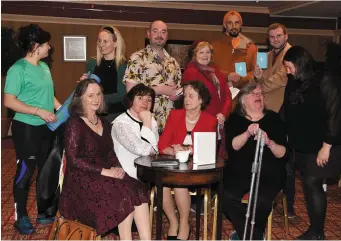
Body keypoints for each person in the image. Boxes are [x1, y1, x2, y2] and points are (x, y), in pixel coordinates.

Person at [58, 79, 151, 240]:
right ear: (80, 98)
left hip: (105, 172)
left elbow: (110, 154)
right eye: (91, 95)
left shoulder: (105, 123)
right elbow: (73, 160)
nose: (96, 99)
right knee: (124, 194)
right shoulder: (74, 123)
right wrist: (105, 171)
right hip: (80, 178)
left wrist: (119, 168)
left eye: (99, 94)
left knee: (138, 188)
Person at [4, 24, 62, 235]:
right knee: (25, 172)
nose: (50, 48)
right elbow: (9, 101)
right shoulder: (17, 69)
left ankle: (44, 212)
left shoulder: (44, 67)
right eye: (47, 44)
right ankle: (21, 218)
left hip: (46, 127)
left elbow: (50, 96)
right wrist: (38, 111)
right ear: (36, 46)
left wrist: (61, 109)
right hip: (26, 127)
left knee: (46, 172)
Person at [283, 45, 341, 240]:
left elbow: (334, 115)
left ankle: (317, 232)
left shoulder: (324, 79)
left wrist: (326, 147)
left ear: (300, 63)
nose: (287, 71)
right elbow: (288, 109)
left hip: (324, 145)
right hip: (303, 144)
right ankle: (316, 230)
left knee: (312, 182)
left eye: (289, 67)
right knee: (309, 185)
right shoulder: (294, 80)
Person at [223, 83, 287, 240]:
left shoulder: (274, 118)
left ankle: (245, 234)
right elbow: (233, 146)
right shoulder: (235, 119)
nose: (259, 96)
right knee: (226, 196)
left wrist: (269, 142)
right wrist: (247, 133)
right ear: (243, 101)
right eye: (253, 93)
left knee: (261, 201)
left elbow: (283, 153)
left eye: (260, 93)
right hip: (239, 173)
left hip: (269, 173)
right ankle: (254, 235)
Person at [158, 81, 217, 240]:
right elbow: (162, 144)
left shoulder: (210, 120)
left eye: (191, 96)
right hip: (175, 166)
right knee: (160, 186)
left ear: (201, 100)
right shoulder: (175, 115)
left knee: (179, 185)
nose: (186, 99)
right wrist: (173, 150)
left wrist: (188, 150)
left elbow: (208, 148)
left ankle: (184, 224)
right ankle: (173, 222)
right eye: (185, 95)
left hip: (196, 170)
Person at [253, 22, 295, 217]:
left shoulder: (292, 54)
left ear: (286, 36)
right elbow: (258, 79)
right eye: (272, 37)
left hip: (285, 113)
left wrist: (260, 84)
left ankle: (290, 205)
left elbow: (282, 79)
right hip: (265, 112)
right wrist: (256, 77)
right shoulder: (265, 56)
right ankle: (267, 197)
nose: (275, 39)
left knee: (285, 159)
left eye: (279, 36)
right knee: (266, 156)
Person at [123, 20, 182, 133]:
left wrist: (177, 94)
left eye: (163, 32)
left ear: (167, 36)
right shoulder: (137, 58)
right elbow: (130, 92)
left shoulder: (174, 62)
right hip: (145, 122)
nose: (159, 35)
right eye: (155, 31)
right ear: (148, 34)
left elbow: (178, 90)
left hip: (169, 124)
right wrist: (160, 90)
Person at [182, 41, 232, 154]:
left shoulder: (216, 71)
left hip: (219, 121)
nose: (205, 55)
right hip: (201, 122)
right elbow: (191, 101)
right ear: (195, 55)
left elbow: (227, 94)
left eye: (208, 52)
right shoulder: (190, 72)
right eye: (201, 52)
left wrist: (223, 113)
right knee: (201, 156)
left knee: (215, 156)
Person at [80, 25, 127, 122]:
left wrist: (95, 97)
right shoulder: (92, 63)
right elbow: (85, 92)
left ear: (115, 43)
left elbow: (122, 94)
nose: (101, 44)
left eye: (105, 41)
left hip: (117, 115)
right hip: (95, 114)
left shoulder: (124, 65)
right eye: (99, 41)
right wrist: (83, 84)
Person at [111, 84, 159, 179]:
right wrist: (146, 122)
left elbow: (155, 150)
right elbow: (144, 151)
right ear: (131, 101)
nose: (145, 103)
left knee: (165, 184)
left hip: (148, 173)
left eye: (149, 100)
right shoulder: (121, 123)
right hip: (126, 176)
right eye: (140, 98)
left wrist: (147, 121)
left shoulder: (151, 120)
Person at [211, 11, 257, 89]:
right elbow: (208, 69)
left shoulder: (251, 47)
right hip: (220, 92)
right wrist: (227, 76)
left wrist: (240, 79)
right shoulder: (213, 46)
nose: (234, 26)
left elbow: (256, 73)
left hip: (243, 94)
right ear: (224, 25)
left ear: (240, 24)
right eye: (230, 23)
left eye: (237, 23)